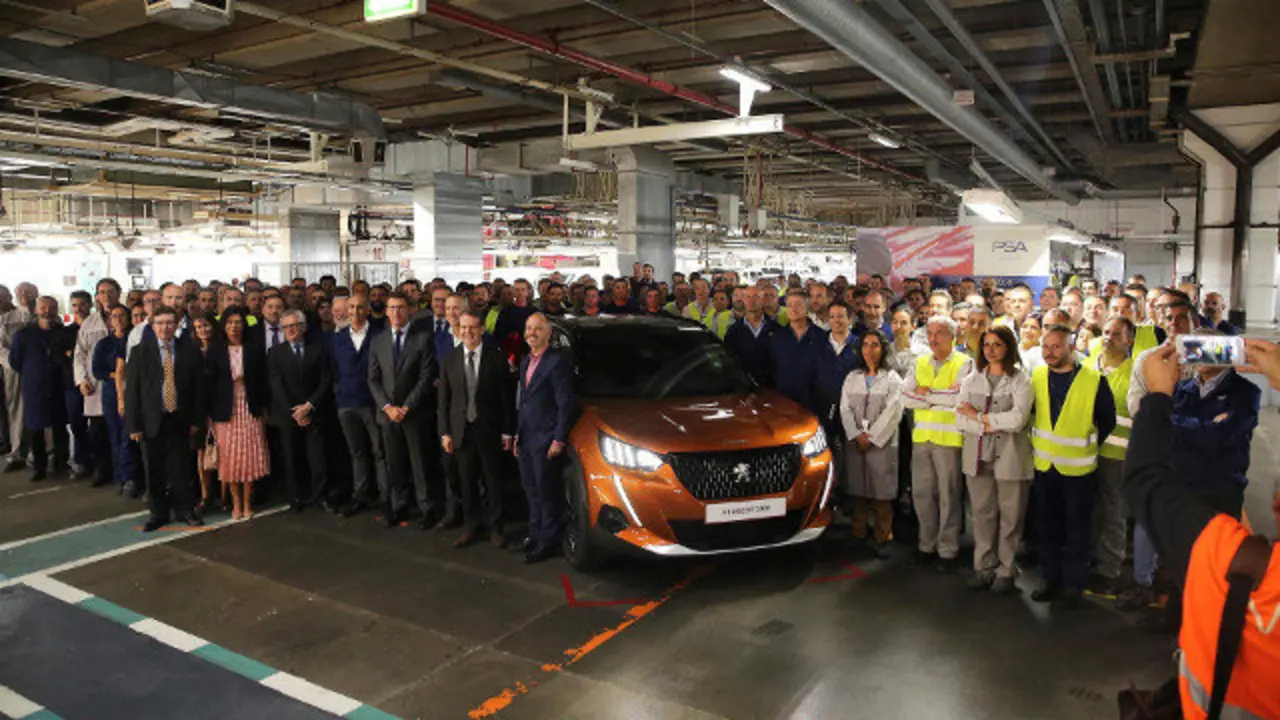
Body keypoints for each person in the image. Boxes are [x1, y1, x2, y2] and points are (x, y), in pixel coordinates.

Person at [1126, 340, 1280, 720]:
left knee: (1199, 575)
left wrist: (1157, 400)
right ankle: (1179, 616)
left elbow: (1147, 475)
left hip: (1218, 491)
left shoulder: (1231, 559)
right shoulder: (1187, 388)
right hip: (1190, 483)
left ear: (1277, 504)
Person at [1029, 324, 1116, 609]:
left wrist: (1086, 444)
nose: (1049, 352)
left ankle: (1073, 583)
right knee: (1047, 527)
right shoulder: (1038, 375)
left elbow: (1107, 421)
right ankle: (1049, 578)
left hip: (1079, 471)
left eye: (1056, 346)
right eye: (1045, 346)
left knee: (1078, 530)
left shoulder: (1094, 380)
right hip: (1044, 466)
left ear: (1071, 347)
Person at [956, 326, 1033, 593]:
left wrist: (979, 418)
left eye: (997, 344)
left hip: (1011, 457)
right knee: (981, 513)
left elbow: (1018, 420)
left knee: (1011, 516)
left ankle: (1006, 570)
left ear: (1009, 347)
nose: (990, 350)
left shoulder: (1021, 380)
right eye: (986, 345)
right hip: (977, 456)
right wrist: (986, 424)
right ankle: (984, 567)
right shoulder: (971, 379)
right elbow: (959, 418)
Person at [902, 315, 973, 572]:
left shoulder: (965, 363)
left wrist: (926, 393)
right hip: (922, 439)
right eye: (930, 333)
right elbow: (904, 396)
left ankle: (948, 550)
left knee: (949, 496)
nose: (933, 338)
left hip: (949, 441)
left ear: (952, 336)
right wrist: (938, 397)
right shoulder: (920, 362)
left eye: (940, 333)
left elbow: (959, 398)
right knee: (922, 495)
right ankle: (926, 545)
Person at [439, 311, 514, 549]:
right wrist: (445, 432)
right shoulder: (449, 358)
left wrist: (507, 431)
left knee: (493, 483)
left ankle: (496, 528)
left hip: (489, 430)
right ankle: (471, 527)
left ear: (482, 329)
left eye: (472, 328)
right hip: (461, 432)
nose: (467, 332)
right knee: (467, 483)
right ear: (457, 330)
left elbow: (506, 399)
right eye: (463, 328)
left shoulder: (496, 358)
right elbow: (444, 401)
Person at [126, 306, 205, 531]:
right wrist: (134, 424)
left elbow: (198, 389)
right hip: (152, 419)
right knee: (154, 469)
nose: (165, 327)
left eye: (170, 323)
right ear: (152, 326)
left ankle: (185, 510)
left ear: (177, 324)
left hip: (180, 417)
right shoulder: (140, 351)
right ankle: (158, 513)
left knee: (182, 468)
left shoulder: (189, 349)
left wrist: (196, 421)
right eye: (160, 323)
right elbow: (132, 390)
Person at [368, 292, 439, 529]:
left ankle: (427, 507)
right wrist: (388, 408)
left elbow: (426, 376)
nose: (396, 313)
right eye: (391, 308)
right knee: (394, 463)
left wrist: (406, 407)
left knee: (419, 463)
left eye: (400, 308)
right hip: (387, 414)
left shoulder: (423, 338)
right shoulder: (378, 341)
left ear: (409, 310)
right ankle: (399, 506)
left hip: (415, 413)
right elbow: (373, 379)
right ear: (386, 311)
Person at [514, 313, 575, 564]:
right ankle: (535, 533)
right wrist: (517, 434)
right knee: (531, 490)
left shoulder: (557, 362)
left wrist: (559, 439)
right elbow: (523, 402)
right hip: (527, 437)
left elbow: (566, 404)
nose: (532, 333)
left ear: (549, 333)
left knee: (547, 492)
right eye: (529, 328)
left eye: (538, 329)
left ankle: (548, 541)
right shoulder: (525, 361)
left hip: (546, 438)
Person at [839, 329, 903, 559]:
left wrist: (872, 437)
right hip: (856, 442)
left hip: (881, 444)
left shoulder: (893, 379)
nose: (869, 349)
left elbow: (894, 412)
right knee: (858, 488)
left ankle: (883, 536)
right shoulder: (852, 377)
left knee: (881, 491)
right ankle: (859, 532)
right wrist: (856, 435)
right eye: (865, 344)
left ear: (883, 349)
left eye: (875, 345)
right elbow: (845, 409)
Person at [206, 307, 270, 521]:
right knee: (230, 459)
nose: (234, 326)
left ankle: (248, 503)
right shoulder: (215, 350)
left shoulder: (253, 348)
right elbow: (209, 384)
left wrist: (264, 407)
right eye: (230, 322)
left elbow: (263, 380)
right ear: (223, 326)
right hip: (225, 410)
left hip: (250, 407)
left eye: (238, 322)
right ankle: (235, 503)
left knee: (250, 457)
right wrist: (209, 413)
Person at [268, 309, 334, 513]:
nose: (290, 330)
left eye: (294, 325)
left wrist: (308, 406)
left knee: (318, 458)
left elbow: (325, 380)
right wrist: (295, 412)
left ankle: (320, 496)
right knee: (291, 458)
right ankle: (296, 498)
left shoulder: (318, 349)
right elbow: (276, 384)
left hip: (314, 411)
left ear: (303, 327)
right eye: (286, 327)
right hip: (288, 415)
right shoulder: (275, 352)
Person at [1090, 316, 1136, 595]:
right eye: (1106, 332)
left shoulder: (1135, 373)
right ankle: (1092, 560)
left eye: (1116, 334)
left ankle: (1110, 569)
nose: (1108, 337)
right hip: (1085, 453)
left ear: (1129, 340)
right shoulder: (1087, 365)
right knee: (1093, 512)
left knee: (1114, 513)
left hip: (1117, 455)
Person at [331, 293, 387, 518]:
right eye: (351, 307)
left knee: (379, 452)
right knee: (357, 453)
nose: (354, 311)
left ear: (367, 310)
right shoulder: (337, 338)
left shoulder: (379, 335)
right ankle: (360, 496)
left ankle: (385, 497)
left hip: (372, 403)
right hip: (346, 403)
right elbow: (333, 369)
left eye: (359, 307)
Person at [8, 296, 68, 482]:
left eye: (51, 307)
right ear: (36, 310)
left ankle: (61, 462)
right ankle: (39, 467)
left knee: (60, 427)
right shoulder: (24, 335)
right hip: (35, 387)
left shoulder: (63, 333)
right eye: (43, 307)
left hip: (59, 386)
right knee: (36, 428)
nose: (47, 311)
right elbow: (15, 361)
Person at [93, 304, 132, 495]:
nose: (119, 320)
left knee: (129, 435)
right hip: (111, 392)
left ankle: (132, 476)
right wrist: (117, 375)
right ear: (109, 320)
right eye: (115, 316)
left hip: (132, 390)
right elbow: (97, 370)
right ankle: (122, 477)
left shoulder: (133, 340)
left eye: (122, 315)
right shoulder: (104, 344)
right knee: (116, 434)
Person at [767, 291, 826, 415]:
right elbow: (771, 369)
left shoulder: (821, 337)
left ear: (807, 307)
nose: (793, 309)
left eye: (798, 304)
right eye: (790, 305)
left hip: (814, 404)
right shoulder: (777, 337)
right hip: (784, 404)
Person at [191, 313, 219, 510]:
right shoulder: (190, 351)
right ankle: (205, 495)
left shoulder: (221, 349)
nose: (203, 330)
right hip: (197, 408)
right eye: (199, 327)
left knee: (224, 452)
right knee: (201, 453)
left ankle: (224, 495)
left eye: (207, 325)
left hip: (220, 405)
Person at [723, 286, 777, 385]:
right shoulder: (733, 331)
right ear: (743, 300)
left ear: (763, 300)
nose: (752, 301)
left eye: (756, 297)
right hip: (742, 388)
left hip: (771, 389)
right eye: (748, 297)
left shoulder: (777, 329)